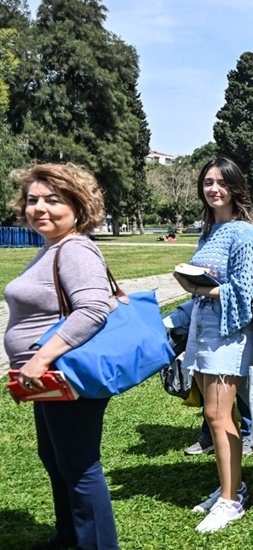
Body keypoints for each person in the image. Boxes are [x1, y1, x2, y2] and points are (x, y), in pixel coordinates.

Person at [4, 163, 119, 549]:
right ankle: (70, 536)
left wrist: (38, 358)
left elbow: (93, 310)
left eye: (53, 200)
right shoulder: (51, 247)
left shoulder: (75, 248)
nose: (40, 208)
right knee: (55, 458)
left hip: (65, 373)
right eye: (33, 199)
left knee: (80, 466)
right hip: (48, 379)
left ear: (77, 205)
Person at [161, 158, 253, 533]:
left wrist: (201, 287)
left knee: (218, 416)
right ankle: (231, 486)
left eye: (221, 182)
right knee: (216, 415)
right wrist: (175, 316)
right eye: (207, 182)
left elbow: (247, 288)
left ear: (235, 188)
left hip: (231, 335)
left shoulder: (244, 233)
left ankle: (230, 500)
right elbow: (203, 292)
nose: (213, 188)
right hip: (203, 333)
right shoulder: (209, 231)